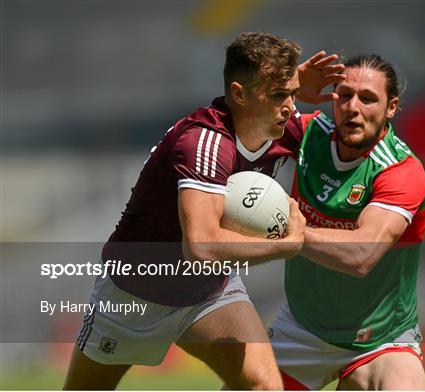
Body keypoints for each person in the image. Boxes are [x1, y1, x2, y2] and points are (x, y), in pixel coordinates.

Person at [63, 32, 344, 390]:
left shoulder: (284, 127)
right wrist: (289, 245)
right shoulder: (203, 142)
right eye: (279, 95)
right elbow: (201, 245)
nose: (290, 106)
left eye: (291, 94)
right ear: (239, 94)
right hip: (135, 293)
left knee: (265, 386)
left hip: (208, 292)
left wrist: (290, 85)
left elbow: (349, 139)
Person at [268, 55, 425, 390]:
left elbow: (361, 256)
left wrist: (290, 230)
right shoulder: (309, 134)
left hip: (380, 339)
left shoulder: (401, 170)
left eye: (368, 98)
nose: (353, 107)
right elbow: (234, 123)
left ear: (391, 107)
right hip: (301, 330)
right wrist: (287, 87)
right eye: (344, 95)